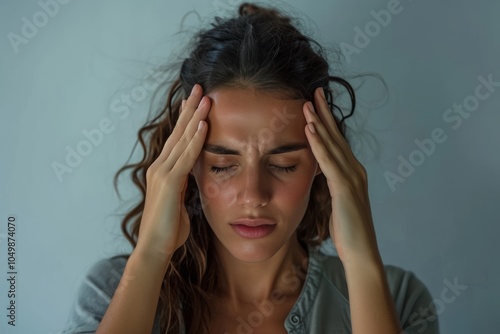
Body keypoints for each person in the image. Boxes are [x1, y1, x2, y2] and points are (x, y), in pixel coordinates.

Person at [62, 2, 439, 334]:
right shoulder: (112, 292)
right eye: (223, 165)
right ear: (186, 167)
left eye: (284, 164)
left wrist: (361, 262)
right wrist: (151, 256)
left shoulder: (402, 302)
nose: (253, 195)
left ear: (326, 165)